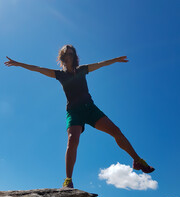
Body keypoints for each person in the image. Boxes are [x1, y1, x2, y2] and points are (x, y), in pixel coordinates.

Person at [4, 44, 155, 188]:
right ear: (63, 57)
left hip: (90, 109)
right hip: (74, 112)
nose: (70, 55)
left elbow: (99, 64)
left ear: (75, 56)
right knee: (72, 140)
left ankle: (137, 160)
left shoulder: (82, 70)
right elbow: (38, 69)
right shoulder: (60, 75)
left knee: (116, 131)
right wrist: (18, 64)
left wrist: (115, 60)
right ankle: (68, 180)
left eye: (72, 53)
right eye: (67, 53)